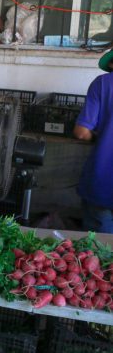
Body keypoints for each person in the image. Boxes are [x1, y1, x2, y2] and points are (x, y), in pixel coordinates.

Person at [74, 48, 113, 232]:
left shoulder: (103, 84)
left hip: (102, 180)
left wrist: (100, 137)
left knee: (98, 252)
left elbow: (81, 132)